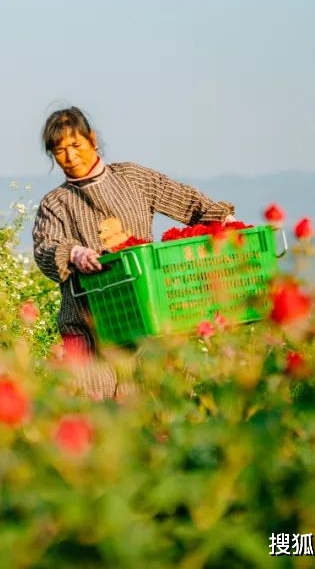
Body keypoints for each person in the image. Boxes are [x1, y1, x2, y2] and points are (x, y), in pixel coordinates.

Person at [32, 106, 237, 399]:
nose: (70, 155)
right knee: (96, 412)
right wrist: (74, 253)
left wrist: (223, 219)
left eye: (75, 145)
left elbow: (185, 201)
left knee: (150, 402)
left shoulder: (133, 178)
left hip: (144, 315)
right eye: (59, 150)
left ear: (92, 139)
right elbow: (44, 248)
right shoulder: (55, 203)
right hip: (87, 325)